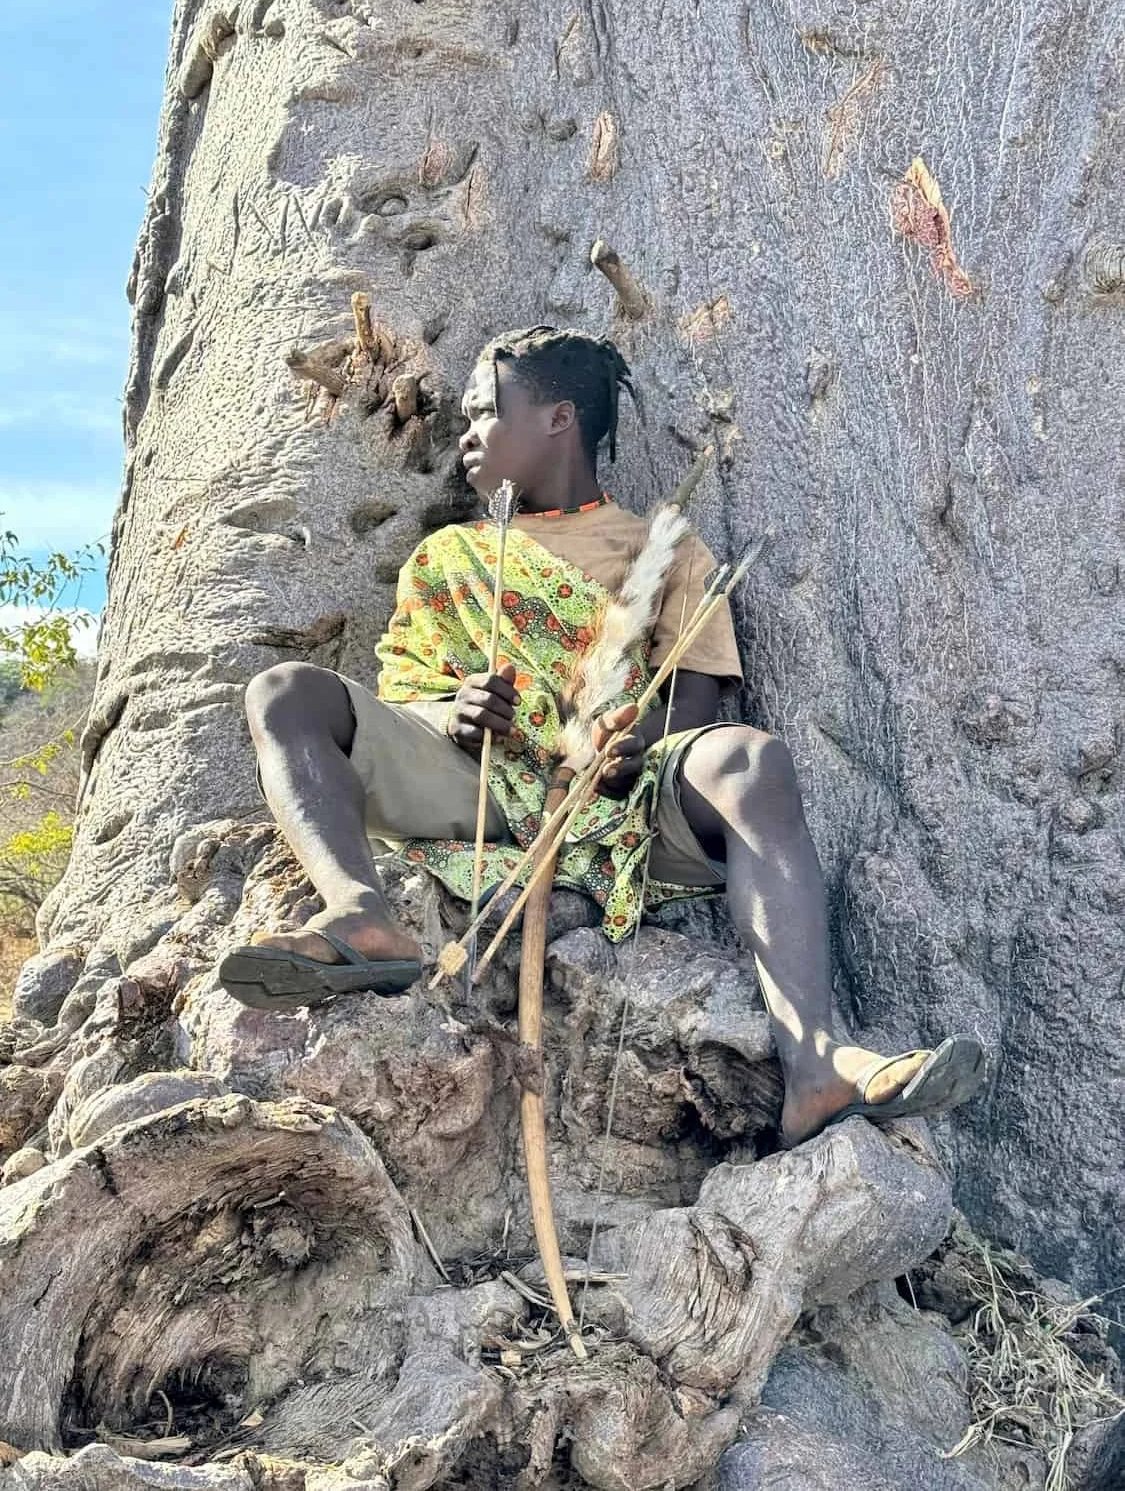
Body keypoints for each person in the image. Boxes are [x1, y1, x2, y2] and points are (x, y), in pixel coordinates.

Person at [219, 326, 984, 1148]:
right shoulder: (447, 557)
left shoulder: (665, 549)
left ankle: (816, 1063)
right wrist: (455, 713)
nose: (466, 436)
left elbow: (695, 703)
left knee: (751, 760)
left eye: (484, 414)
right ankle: (360, 913)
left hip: (619, 804)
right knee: (285, 692)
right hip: (470, 788)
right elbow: (405, 694)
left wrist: (627, 747)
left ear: (557, 418)